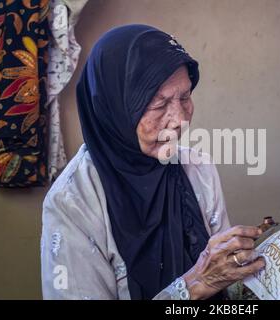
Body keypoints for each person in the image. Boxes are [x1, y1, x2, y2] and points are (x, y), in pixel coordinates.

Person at [40, 25, 265, 300]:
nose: (179, 119)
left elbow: (226, 285)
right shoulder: (72, 202)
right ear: (114, 108)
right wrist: (194, 285)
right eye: (159, 105)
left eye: (185, 97)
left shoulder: (198, 168)